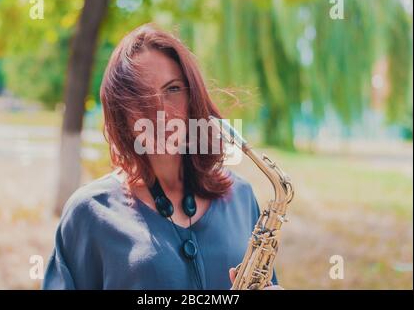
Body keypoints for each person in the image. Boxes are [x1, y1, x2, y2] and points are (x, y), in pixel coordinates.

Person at [42, 23, 281, 290]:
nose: (161, 112)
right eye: (141, 95)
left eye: (173, 89)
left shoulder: (241, 196)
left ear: (194, 97)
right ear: (121, 113)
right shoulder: (89, 212)